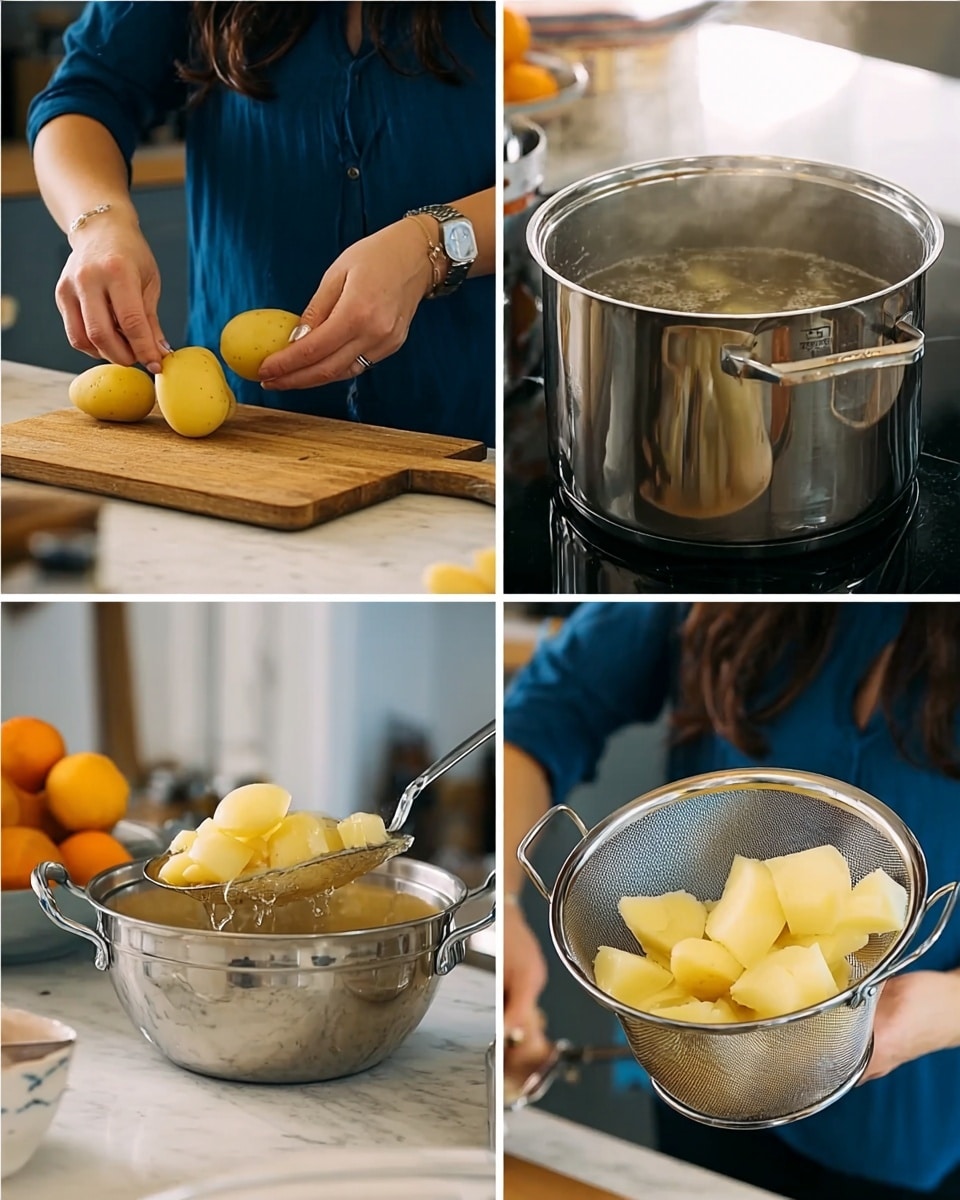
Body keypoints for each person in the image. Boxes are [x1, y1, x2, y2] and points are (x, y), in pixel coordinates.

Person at [503, 602, 960, 1200]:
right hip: (706, 1075)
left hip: (906, 1124)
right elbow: (545, 711)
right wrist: (505, 907)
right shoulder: (715, 564)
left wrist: (946, 1009)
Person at [28, 2, 495, 444]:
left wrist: (432, 247)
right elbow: (85, 94)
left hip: (476, 418)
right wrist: (98, 226)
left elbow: (557, 178)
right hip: (247, 430)